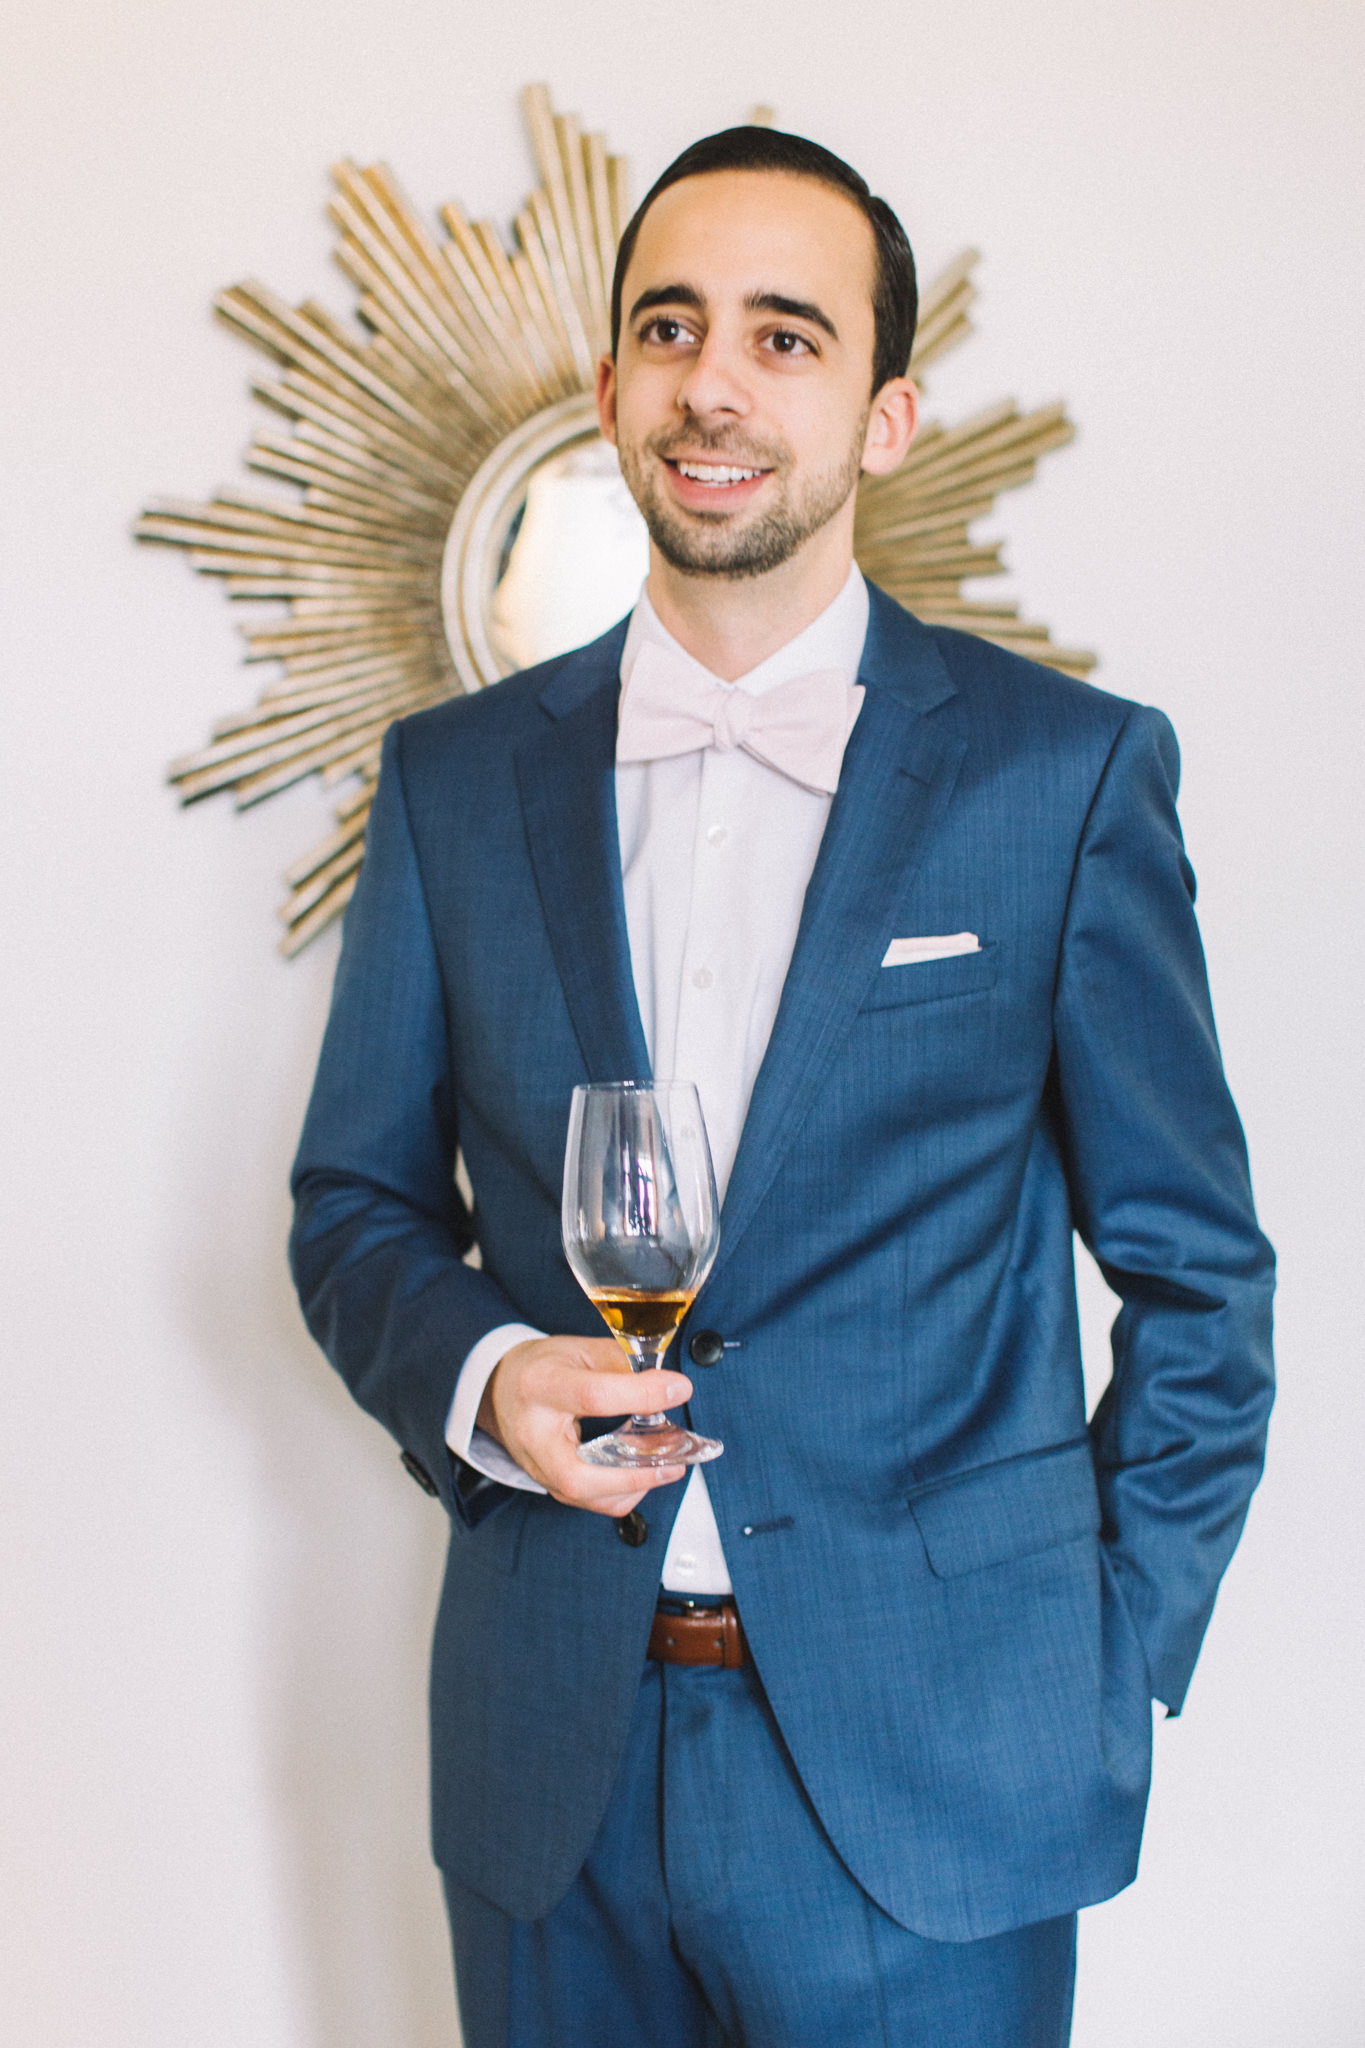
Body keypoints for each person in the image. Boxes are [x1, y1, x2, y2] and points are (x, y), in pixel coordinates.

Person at [290, 125, 1275, 2048]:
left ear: (884, 415)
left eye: (784, 336)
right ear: (609, 390)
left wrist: (1111, 1647)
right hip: (549, 1758)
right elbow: (356, 1207)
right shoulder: (451, 784)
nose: (714, 384)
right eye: (669, 330)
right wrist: (485, 1378)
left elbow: (1198, 1275)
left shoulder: (1060, 777)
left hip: (944, 1768)